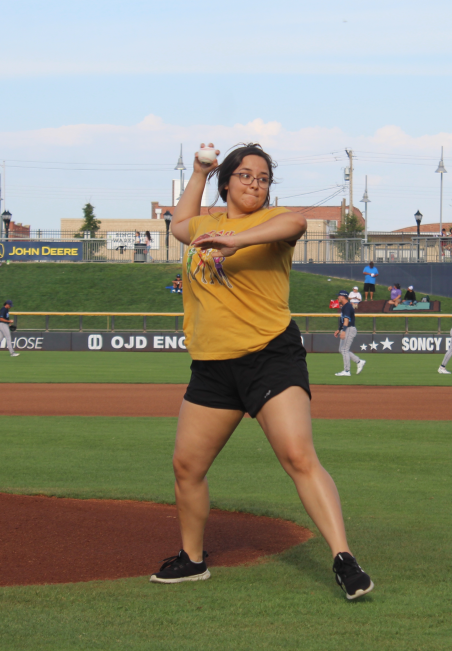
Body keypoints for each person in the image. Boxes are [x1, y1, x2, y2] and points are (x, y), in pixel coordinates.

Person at [149, 142, 373, 600]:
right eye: (246, 175)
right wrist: (198, 172)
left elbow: (295, 223)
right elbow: (179, 227)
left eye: (264, 178)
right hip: (213, 364)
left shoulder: (273, 223)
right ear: (226, 180)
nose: (255, 183)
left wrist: (235, 240)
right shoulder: (204, 225)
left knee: (297, 456)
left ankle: (344, 559)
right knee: (186, 467)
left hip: (270, 354)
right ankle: (192, 560)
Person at [333, 290, 365, 377]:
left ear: (342, 297)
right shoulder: (344, 306)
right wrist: (339, 330)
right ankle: (359, 361)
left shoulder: (347, 307)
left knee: (344, 350)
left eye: (339, 296)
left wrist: (343, 331)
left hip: (349, 329)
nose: (338, 297)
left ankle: (347, 371)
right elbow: (343, 320)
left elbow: (346, 320)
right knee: (342, 350)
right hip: (347, 329)